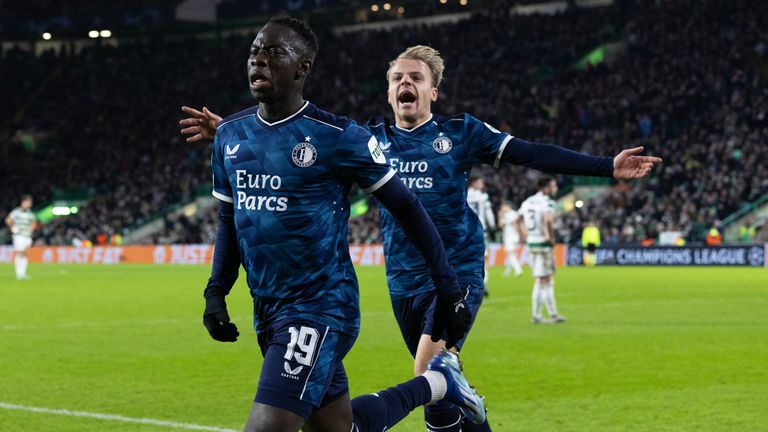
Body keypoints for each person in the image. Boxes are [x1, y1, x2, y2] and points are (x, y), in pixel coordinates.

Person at [181, 44, 662, 432]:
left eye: (415, 78)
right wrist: (231, 132)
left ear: (433, 91)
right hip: (402, 281)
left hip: (456, 270)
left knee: (428, 376)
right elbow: (301, 155)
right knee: (438, 398)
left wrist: (605, 166)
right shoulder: (370, 141)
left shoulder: (461, 133)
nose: (405, 84)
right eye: (397, 79)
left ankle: (444, 389)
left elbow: (532, 153)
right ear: (388, 93)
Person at [189, 16, 484, 432]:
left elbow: (408, 208)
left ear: (302, 68)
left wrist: (449, 288)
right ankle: (437, 383)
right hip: (269, 309)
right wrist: (216, 290)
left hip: (320, 307)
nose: (258, 60)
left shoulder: (337, 136)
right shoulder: (231, 135)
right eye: (255, 51)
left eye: (273, 52)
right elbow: (229, 218)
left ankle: (437, 382)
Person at [519, 176, 565, 324]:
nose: (556, 189)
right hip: (544, 245)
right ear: (546, 188)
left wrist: (525, 235)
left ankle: (545, 314)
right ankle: (546, 315)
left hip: (532, 244)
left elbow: (517, 219)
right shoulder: (548, 202)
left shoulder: (528, 201)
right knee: (545, 280)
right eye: (553, 186)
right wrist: (550, 236)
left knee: (539, 279)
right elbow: (549, 219)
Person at [467, 175, 497, 296]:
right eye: (480, 182)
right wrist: (493, 227)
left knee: (467, 259)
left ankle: (467, 285)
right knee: (483, 259)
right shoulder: (483, 197)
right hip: (480, 231)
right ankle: (483, 284)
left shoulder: (464, 194)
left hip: (466, 232)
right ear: (474, 183)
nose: (482, 184)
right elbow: (489, 216)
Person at [5, 195, 37, 280]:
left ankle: (23, 273)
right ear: (23, 202)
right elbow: (8, 220)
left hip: (27, 236)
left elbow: (34, 223)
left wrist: (31, 230)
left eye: (30, 203)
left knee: (25, 253)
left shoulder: (30, 214)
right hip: (18, 235)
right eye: (28, 202)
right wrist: (13, 228)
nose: (29, 204)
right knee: (20, 252)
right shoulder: (16, 212)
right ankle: (19, 273)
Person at [499, 202, 523, 277]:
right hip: (512, 236)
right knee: (509, 254)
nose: (502, 209)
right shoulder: (513, 214)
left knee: (510, 254)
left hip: (511, 236)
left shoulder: (510, 214)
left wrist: (501, 216)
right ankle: (507, 271)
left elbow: (501, 225)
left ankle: (518, 269)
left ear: (508, 206)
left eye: (503, 207)